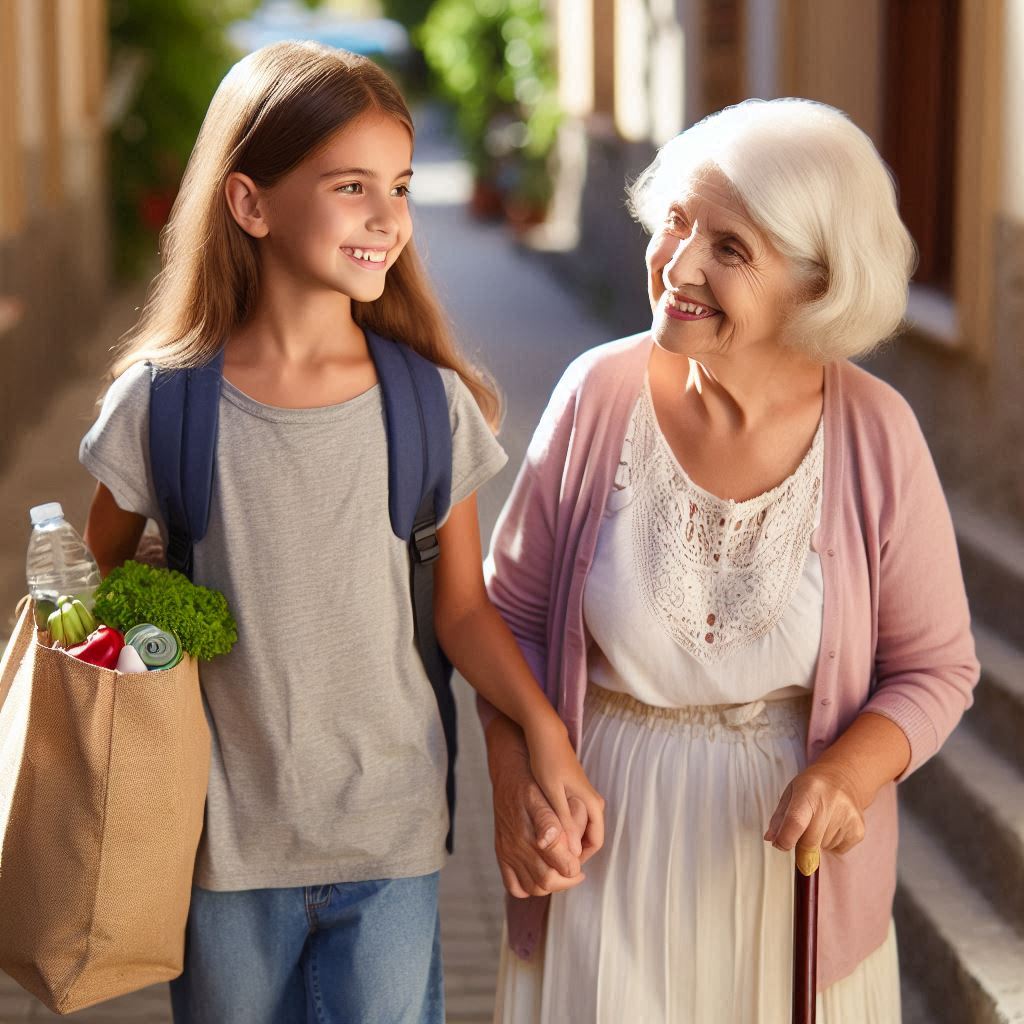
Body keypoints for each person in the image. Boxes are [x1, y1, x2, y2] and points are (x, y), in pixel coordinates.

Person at [78, 41, 603, 1024]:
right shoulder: (164, 407)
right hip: (219, 852)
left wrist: (542, 731)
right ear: (251, 203)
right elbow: (82, 608)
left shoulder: (429, 404)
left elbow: (463, 611)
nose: (388, 218)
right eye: (350, 185)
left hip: (392, 842)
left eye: (398, 185)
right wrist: (141, 635)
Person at [482, 97, 980, 1022]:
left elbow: (938, 668)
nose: (678, 266)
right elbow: (502, 623)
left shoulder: (876, 434)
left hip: (788, 873)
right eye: (675, 221)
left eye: (731, 248)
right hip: (603, 853)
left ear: (820, 282)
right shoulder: (598, 396)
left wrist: (850, 774)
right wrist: (513, 783)